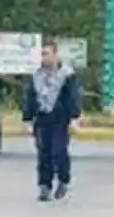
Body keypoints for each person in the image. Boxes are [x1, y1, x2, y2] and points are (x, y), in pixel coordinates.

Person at [22, 41, 80, 201]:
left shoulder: (67, 75)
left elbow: (73, 97)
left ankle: (63, 179)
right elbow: (30, 97)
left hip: (60, 119)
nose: (44, 57)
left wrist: (74, 118)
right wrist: (27, 119)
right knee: (43, 153)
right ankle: (44, 185)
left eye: (47, 53)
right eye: (42, 54)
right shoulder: (37, 75)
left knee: (59, 151)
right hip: (42, 118)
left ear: (55, 55)